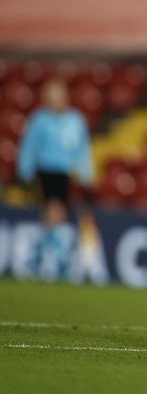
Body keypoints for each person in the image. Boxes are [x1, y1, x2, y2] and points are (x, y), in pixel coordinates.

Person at [16, 78, 95, 279]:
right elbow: (29, 146)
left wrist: (86, 173)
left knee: (59, 213)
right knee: (53, 209)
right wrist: (25, 170)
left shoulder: (75, 119)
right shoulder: (40, 119)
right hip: (46, 170)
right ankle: (51, 257)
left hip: (66, 172)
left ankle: (47, 254)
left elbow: (81, 148)